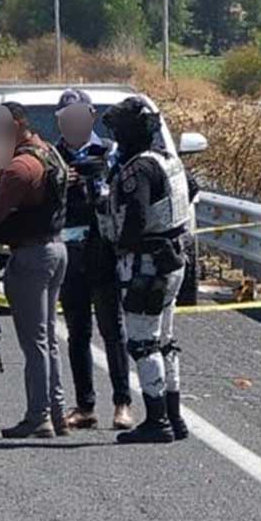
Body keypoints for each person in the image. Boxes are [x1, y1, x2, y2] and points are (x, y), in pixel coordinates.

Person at [99, 97, 192, 444]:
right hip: (173, 259)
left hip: (147, 264)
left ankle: (157, 421)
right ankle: (174, 416)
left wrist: (120, 241)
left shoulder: (138, 169)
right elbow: (190, 192)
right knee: (165, 341)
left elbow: (135, 217)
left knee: (142, 343)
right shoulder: (169, 161)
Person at [0, 102, 70, 439]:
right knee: (46, 341)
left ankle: (39, 416)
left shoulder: (21, 166)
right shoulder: (47, 153)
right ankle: (56, 412)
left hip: (31, 255)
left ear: (16, 125)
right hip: (55, 248)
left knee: (34, 343)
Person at [52, 89, 135, 431]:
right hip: (68, 253)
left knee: (113, 330)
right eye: (66, 118)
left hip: (102, 250)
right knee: (77, 332)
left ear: (90, 116)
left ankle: (123, 403)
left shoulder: (111, 152)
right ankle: (85, 405)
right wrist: (59, 181)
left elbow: (125, 194)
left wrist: (101, 183)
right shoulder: (52, 156)